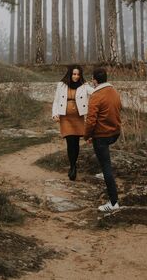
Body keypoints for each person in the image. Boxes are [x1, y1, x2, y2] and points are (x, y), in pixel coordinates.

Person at [84, 67, 122, 212]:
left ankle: (113, 203)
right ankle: (104, 172)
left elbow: (91, 121)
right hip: (115, 133)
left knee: (106, 167)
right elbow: (119, 107)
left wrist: (87, 136)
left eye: (92, 79)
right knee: (104, 161)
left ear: (94, 80)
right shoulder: (114, 91)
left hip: (102, 136)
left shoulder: (96, 95)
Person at [52, 65, 93, 180]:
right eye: (74, 74)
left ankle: (74, 164)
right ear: (70, 74)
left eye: (78, 74)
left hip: (78, 117)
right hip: (65, 118)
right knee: (70, 142)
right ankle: (72, 166)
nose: (76, 76)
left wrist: (105, 88)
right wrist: (55, 113)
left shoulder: (84, 85)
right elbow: (56, 100)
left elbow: (95, 92)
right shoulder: (61, 85)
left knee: (76, 142)